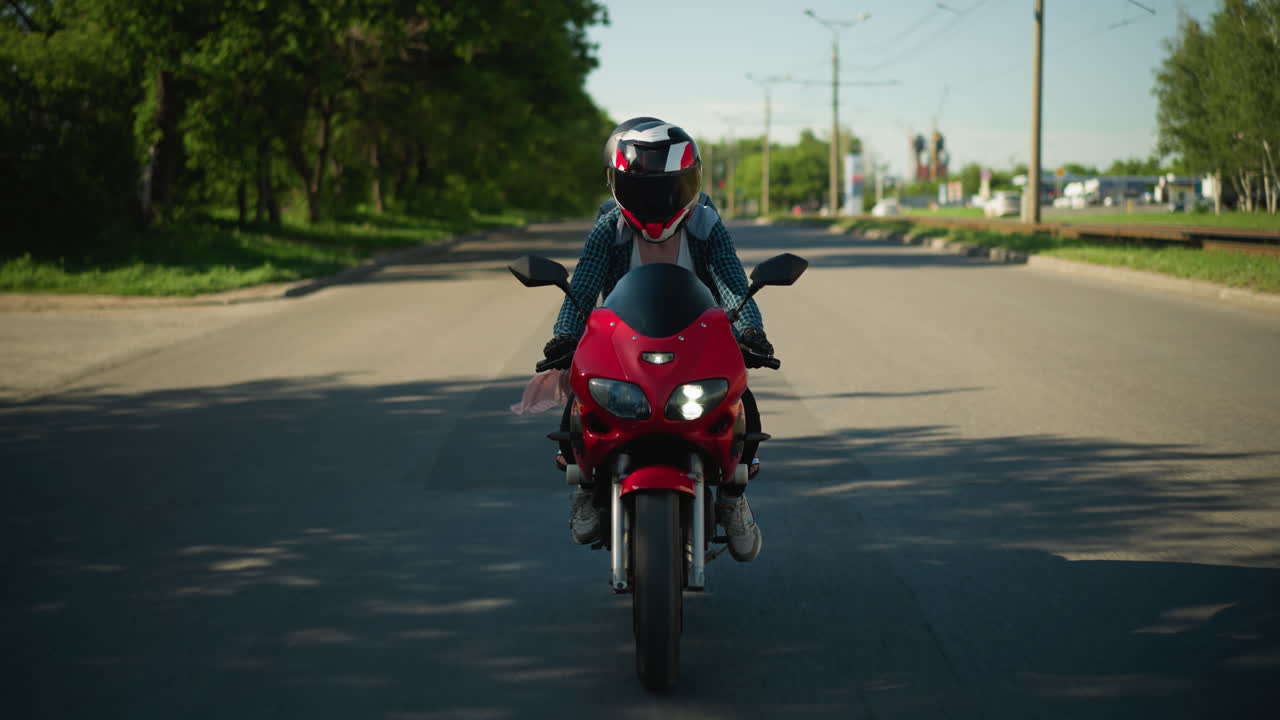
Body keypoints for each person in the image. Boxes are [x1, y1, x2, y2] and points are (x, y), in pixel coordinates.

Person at [545, 118, 774, 562]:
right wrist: (564, 337)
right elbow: (585, 283)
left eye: (670, 189)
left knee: (739, 400)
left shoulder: (705, 224)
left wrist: (751, 331)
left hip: (698, 334)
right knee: (579, 401)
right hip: (619, 340)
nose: (659, 202)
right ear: (618, 186)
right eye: (645, 191)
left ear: (689, 185)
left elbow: (730, 281)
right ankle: (589, 486)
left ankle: (732, 491)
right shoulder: (608, 228)